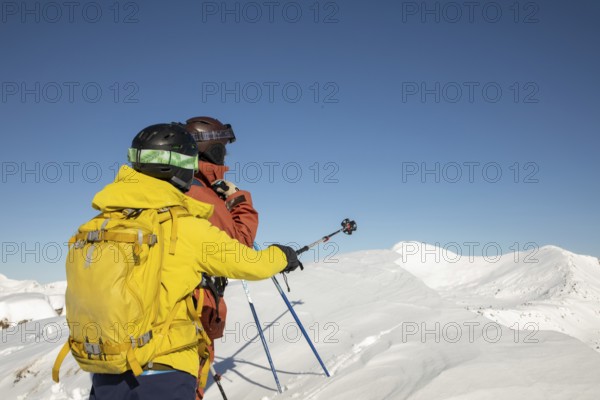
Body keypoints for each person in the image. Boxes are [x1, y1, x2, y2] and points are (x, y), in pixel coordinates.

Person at [86, 122, 302, 399]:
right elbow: (246, 257)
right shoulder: (184, 219)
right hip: (166, 362)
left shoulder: (102, 221)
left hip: (109, 362)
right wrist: (282, 254)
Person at [183, 116, 258, 399]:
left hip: (160, 306)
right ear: (210, 148)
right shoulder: (201, 193)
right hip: (195, 305)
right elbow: (239, 247)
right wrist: (238, 200)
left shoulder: (172, 185)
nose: (225, 153)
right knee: (188, 378)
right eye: (222, 146)